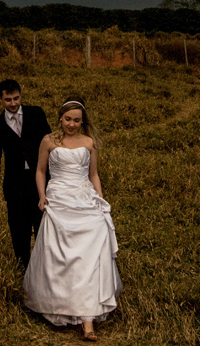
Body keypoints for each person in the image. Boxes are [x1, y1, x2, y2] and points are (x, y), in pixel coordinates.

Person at [23, 98, 122, 342]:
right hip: (58, 199)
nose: (72, 124)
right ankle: (59, 305)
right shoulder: (48, 141)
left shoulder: (89, 143)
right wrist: (42, 196)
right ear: (60, 118)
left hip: (83, 198)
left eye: (77, 120)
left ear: (82, 121)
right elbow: (40, 171)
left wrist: (100, 200)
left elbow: (94, 175)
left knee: (89, 255)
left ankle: (88, 321)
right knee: (60, 255)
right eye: (68, 119)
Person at [0, 79, 52, 269]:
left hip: (40, 183)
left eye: (16, 98)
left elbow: (51, 145)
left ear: (21, 95)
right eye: (8, 100)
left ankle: (44, 270)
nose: (13, 103)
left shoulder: (36, 113)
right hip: (15, 187)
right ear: (0, 100)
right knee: (19, 232)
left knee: (43, 229)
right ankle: (23, 270)